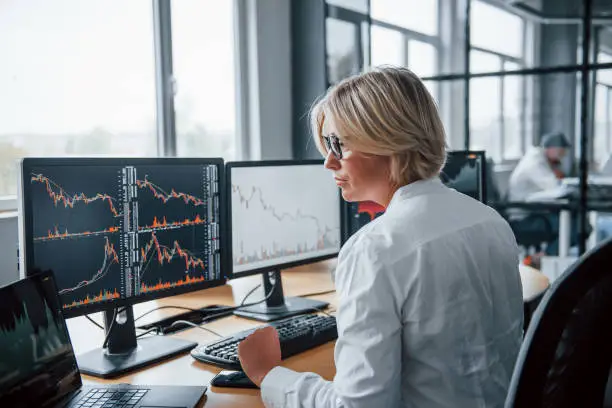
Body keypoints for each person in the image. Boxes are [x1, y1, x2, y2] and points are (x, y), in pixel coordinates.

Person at [237, 66, 524, 408]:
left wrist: (269, 375)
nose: (329, 163)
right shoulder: (490, 221)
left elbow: (357, 406)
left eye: (337, 145)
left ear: (387, 139)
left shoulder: (376, 250)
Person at [507, 132, 571, 203]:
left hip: (532, 201)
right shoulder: (535, 161)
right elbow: (552, 186)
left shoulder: (542, 159)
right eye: (561, 153)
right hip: (523, 207)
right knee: (564, 201)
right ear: (551, 149)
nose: (563, 156)